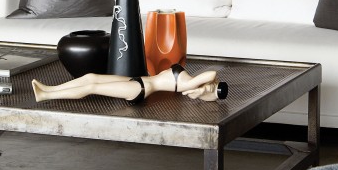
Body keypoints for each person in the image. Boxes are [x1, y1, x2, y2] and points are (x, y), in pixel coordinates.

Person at [31, 64, 228, 104]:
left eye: (213, 91)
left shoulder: (189, 85)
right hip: (139, 80)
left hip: (139, 89)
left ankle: (46, 96)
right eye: (215, 85)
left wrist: (209, 91)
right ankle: (50, 88)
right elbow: (211, 75)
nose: (211, 85)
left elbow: (211, 73)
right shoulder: (192, 82)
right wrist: (211, 88)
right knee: (91, 76)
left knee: (93, 88)